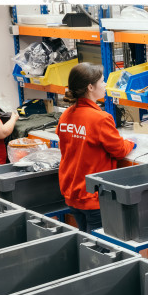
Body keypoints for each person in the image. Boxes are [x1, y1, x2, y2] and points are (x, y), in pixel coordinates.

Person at [57, 63, 135, 233]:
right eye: (102, 81)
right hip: (92, 197)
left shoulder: (65, 115)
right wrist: (132, 142)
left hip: (72, 193)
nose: (106, 84)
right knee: (99, 248)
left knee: (87, 243)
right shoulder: (100, 118)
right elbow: (119, 150)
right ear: (90, 87)